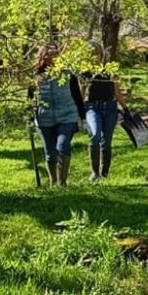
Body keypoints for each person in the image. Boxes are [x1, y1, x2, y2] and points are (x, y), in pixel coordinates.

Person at [30, 43, 85, 187]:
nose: (54, 58)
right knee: (50, 153)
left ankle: (63, 182)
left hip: (67, 116)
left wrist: (83, 117)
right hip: (44, 119)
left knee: (62, 146)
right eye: (50, 55)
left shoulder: (68, 74)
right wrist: (30, 118)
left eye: (56, 55)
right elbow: (30, 98)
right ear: (43, 57)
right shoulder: (37, 76)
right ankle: (53, 181)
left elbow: (77, 95)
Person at [83, 55, 126, 181]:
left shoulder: (109, 70)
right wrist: (78, 110)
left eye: (95, 53)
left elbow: (116, 90)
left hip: (110, 108)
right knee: (95, 135)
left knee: (106, 141)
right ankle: (94, 172)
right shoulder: (85, 71)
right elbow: (82, 90)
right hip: (92, 107)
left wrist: (125, 108)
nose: (93, 56)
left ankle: (104, 173)